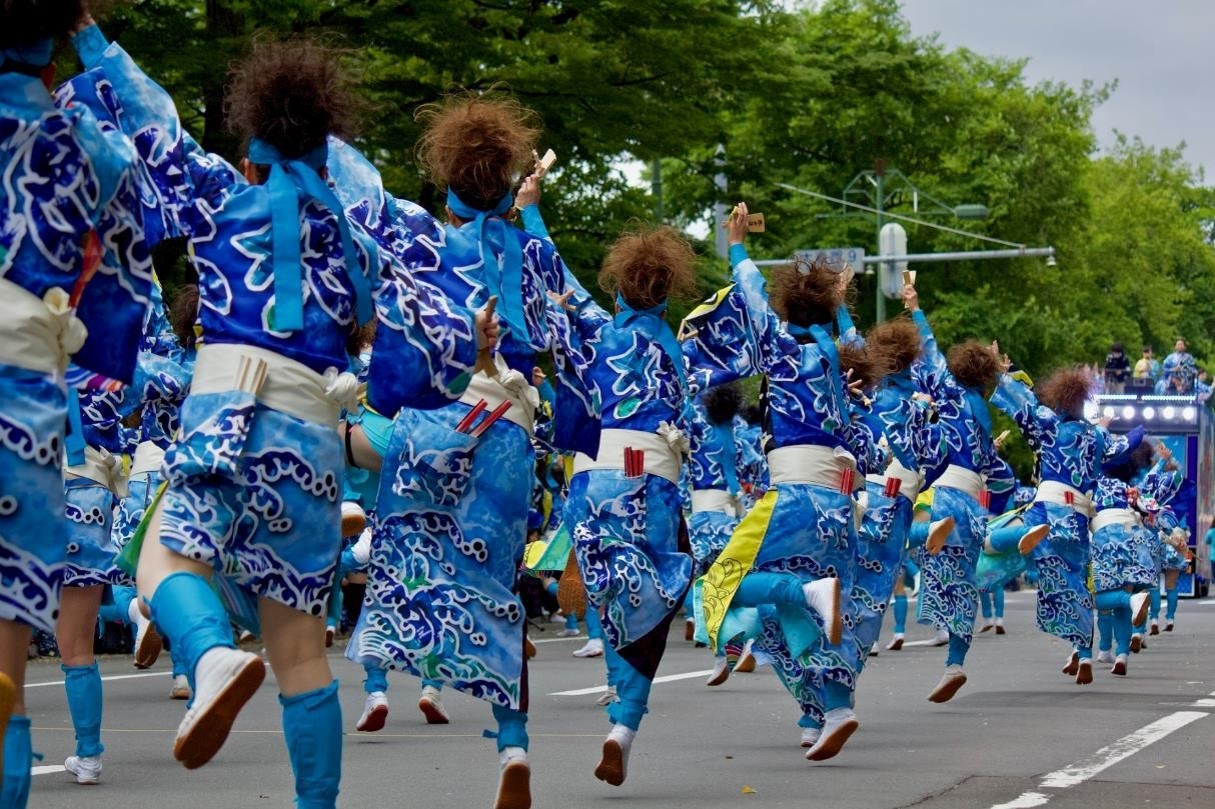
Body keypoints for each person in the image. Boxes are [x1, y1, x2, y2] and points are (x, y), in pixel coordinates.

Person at [75, 25, 491, 809]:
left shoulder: (221, 194)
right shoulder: (363, 231)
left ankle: (208, 658)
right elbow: (439, 295)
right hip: (314, 442)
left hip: (227, 418)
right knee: (300, 650)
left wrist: (89, 36)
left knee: (160, 565)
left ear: (251, 153)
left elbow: (148, 118)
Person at [343, 95, 572, 809]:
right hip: (506, 421)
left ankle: (384, 680)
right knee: (498, 590)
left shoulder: (426, 243)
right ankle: (512, 743)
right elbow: (577, 321)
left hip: (438, 418)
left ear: (446, 182)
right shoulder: (531, 255)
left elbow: (361, 232)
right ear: (506, 184)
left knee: (400, 559)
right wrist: (526, 210)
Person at [0, 2, 147, 803]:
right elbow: (155, 140)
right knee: (51, 637)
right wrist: (91, 36)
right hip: (48, 433)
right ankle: (79, 754)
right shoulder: (85, 143)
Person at [901, 283, 1014, 703]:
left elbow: (928, 349)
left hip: (944, 490)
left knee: (913, 551)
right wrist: (995, 508)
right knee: (963, 583)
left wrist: (915, 307)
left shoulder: (946, 390)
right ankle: (955, 664)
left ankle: (929, 532)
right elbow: (1001, 477)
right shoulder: (984, 414)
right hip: (971, 501)